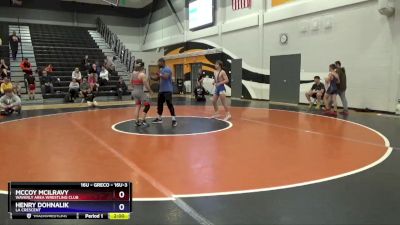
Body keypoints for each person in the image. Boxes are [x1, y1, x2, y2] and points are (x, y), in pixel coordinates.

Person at [152, 58, 177, 127]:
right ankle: (159, 118)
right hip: (161, 90)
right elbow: (158, 78)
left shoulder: (167, 69)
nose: (158, 64)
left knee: (169, 104)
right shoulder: (161, 70)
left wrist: (159, 74)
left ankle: (174, 120)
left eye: (158, 63)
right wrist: (152, 77)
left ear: (162, 62)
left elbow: (165, 77)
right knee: (159, 105)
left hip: (168, 90)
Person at [131, 59, 153, 127]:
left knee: (138, 106)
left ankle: (136, 121)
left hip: (134, 91)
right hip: (139, 92)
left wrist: (134, 87)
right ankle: (143, 121)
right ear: (143, 67)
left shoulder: (133, 73)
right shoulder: (142, 74)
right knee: (147, 105)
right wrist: (150, 91)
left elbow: (130, 82)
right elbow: (146, 85)